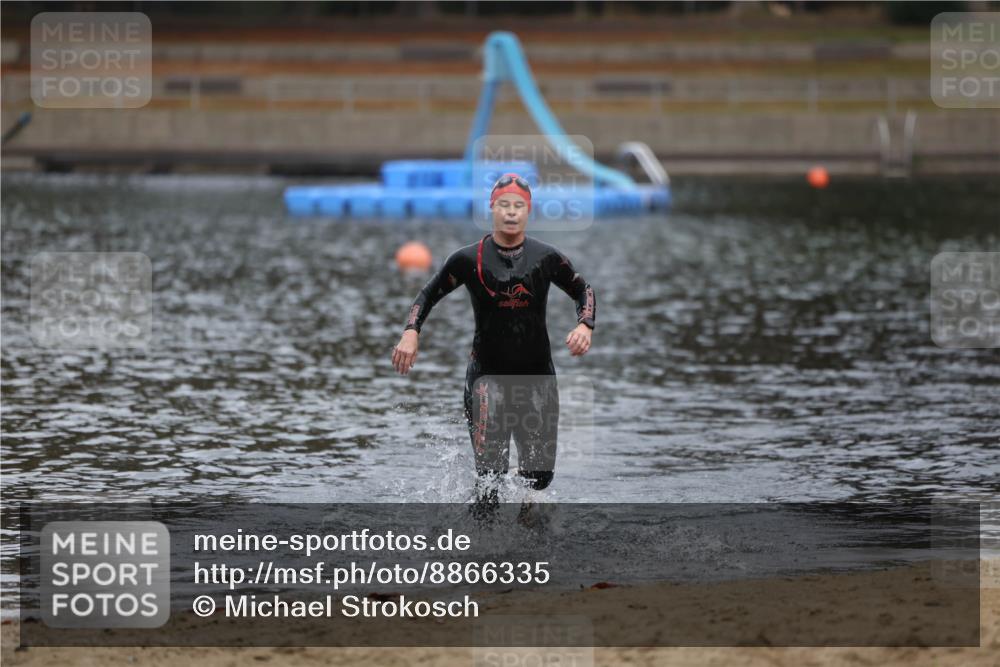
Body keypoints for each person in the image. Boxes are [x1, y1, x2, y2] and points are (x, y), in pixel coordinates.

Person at [391, 173, 595, 507]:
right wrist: (411, 332)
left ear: (528, 211)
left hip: (536, 378)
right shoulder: (469, 259)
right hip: (487, 379)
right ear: (492, 209)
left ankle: (529, 544)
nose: (511, 212)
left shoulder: (545, 258)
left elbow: (583, 289)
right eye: (504, 205)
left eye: (518, 206)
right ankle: (482, 552)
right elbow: (428, 294)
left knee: (539, 480)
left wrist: (585, 325)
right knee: (490, 482)